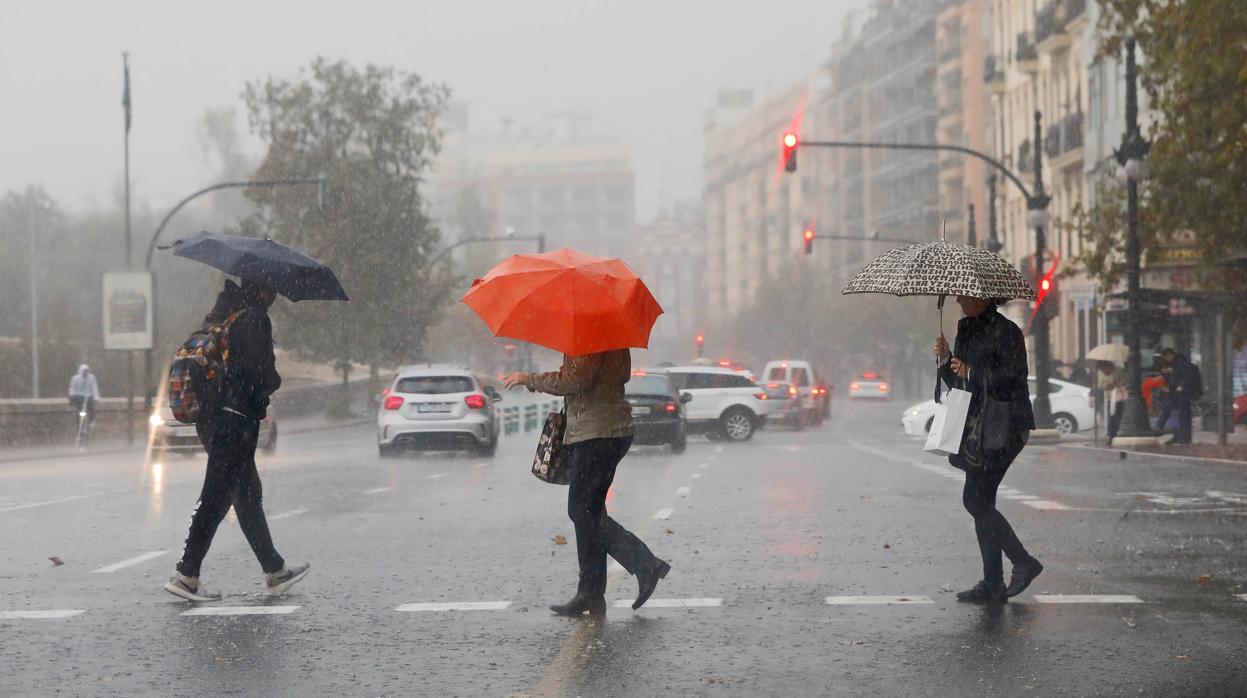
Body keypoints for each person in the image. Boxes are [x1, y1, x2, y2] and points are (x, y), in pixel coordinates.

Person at [164, 278, 309, 602]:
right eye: (272, 289)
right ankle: (186, 574)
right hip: (236, 421)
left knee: (246, 494)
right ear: (261, 289)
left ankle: (275, 570)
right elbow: (258, 375)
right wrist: (274, 378)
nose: (274, 295)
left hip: (214, 419)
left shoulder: (220, 316)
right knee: (216, 497)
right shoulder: (254, 319)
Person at [503, 350, 670, 616]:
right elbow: (590, 378)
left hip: (596, 433)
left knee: (581, 511)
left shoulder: (588, 337)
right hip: (610, 430)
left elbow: (575, 380)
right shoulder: (609, 336)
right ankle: (591, 593)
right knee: (589, 512)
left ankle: (643, 564)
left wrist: (529, 379)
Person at [934, 296, 1042, 603]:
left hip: (1006, 425)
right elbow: (959, 383)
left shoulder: (1007, 331)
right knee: (981, 502)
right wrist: (946, 360)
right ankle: (993, 583)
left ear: (983, 297)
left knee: (976, 500)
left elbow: (1013, 378)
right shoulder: (965, 328)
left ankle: (1022, 562)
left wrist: (972, 371)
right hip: (978, 427)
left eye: (966, 295)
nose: (958, 299)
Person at [1157, 348, 1202, 444]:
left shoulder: (1179, 364)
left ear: (1170, 355)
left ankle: (1181, 437)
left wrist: (1179, 387)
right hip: (1177, 393)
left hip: (1181, 394)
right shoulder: (1177, 364)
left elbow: (1181, 378)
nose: (1165, 359)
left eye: (1166, 357)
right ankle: (1179, 436)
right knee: (1176, 415)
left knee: (1181, 416)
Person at [1096, 361, 1127, 445]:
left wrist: (1116, 384)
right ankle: (1112, 436)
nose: (1105, 371)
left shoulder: (1118, 370)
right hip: (1109, 397)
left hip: (1119, 397)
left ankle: (1118, 434)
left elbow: (1124, 381)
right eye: (1102, 370)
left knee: (1118, 416)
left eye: (1106, 369)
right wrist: (1107, 385)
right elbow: (1100, 385)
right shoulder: (1100, 372)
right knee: (1112, 417)